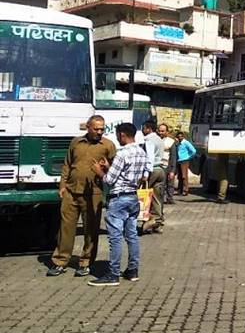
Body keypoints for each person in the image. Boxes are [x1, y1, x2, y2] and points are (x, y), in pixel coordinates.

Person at [47, 115, 117, 278]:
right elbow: (67, 164)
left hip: (93, 194)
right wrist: (62, 185)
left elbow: (115, 169)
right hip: (71, 192)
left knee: (90, 229)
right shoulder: (76, 143)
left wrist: (106, 168)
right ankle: (60, 261)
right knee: (66, 228)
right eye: (96, 129)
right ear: (88, 127)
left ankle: (86, 262)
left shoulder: (108, 145)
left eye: (102, 129)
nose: (99, 132)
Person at [88, 123, 149, 287]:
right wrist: (109, 167)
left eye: (117, 135)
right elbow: (139, 175)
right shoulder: (141, 152)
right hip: (133, 197)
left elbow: (109, 180)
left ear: (122, 135)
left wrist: (98, 171)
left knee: (115, 238)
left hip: (119, 198)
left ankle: (113, 273)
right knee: (132, 236)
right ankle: (132, 270)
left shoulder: (122, 154)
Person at [141, 120, 166, 234]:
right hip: (160, 169)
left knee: (144, 196)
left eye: (143, 128)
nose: (142, 130)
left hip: (152, 170)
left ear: (148, 129)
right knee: (157, 197)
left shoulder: (149, 140)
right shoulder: (159, 139)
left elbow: (149, 157)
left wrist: (146, 174)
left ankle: (147, 220)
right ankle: (158, 222)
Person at [158, 123, 176, 204]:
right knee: (161, 185)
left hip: (167, 165)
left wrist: (172, 170)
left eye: (163, 131)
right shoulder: (155, 140)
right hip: (158, 166)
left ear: (167, 132)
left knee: (170, 183)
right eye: (160, 131)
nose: (161, 133)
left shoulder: (171, 142)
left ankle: (169, 198)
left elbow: (173, 157)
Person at [175, 131, 196, 195]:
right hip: (179, 160)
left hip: (184, 160)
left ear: (183, 137)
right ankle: (180, 190)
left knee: (184, 176)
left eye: (181, 136)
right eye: (179, 137)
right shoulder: (178, 143)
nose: (180, 137)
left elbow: (193, 151)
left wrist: (189, 157)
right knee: (180, 176)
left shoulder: (186, 143)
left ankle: (185, 190)